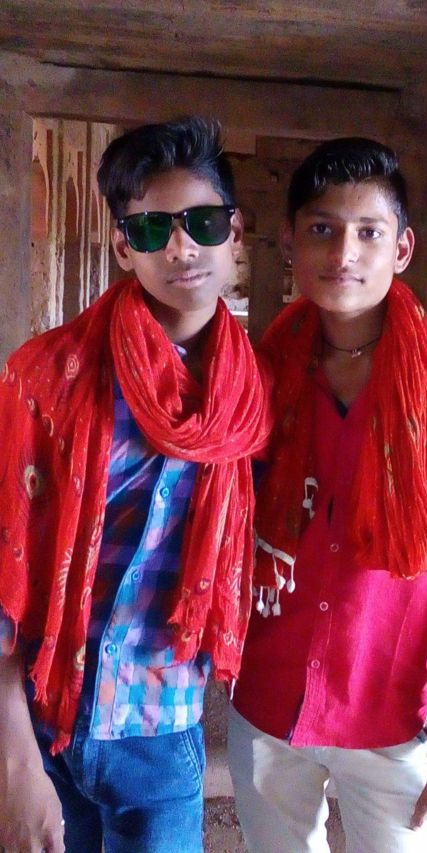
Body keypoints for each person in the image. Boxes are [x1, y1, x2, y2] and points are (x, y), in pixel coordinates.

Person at [227, 137, 427, 853]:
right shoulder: (266, 369)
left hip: (388, 713)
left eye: (369, 232)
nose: (344, 253)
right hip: (266, 700)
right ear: (291, 243)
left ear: (403, 248)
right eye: (322, 229)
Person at [0, 116, 270, 853]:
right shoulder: (45, 381)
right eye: (153, 229)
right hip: (46, 717)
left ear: (234, 233)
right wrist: (14, 760)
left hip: (162, 724)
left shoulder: (253, 392)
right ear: (123, 246)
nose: (181, 247)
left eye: (202, 223)